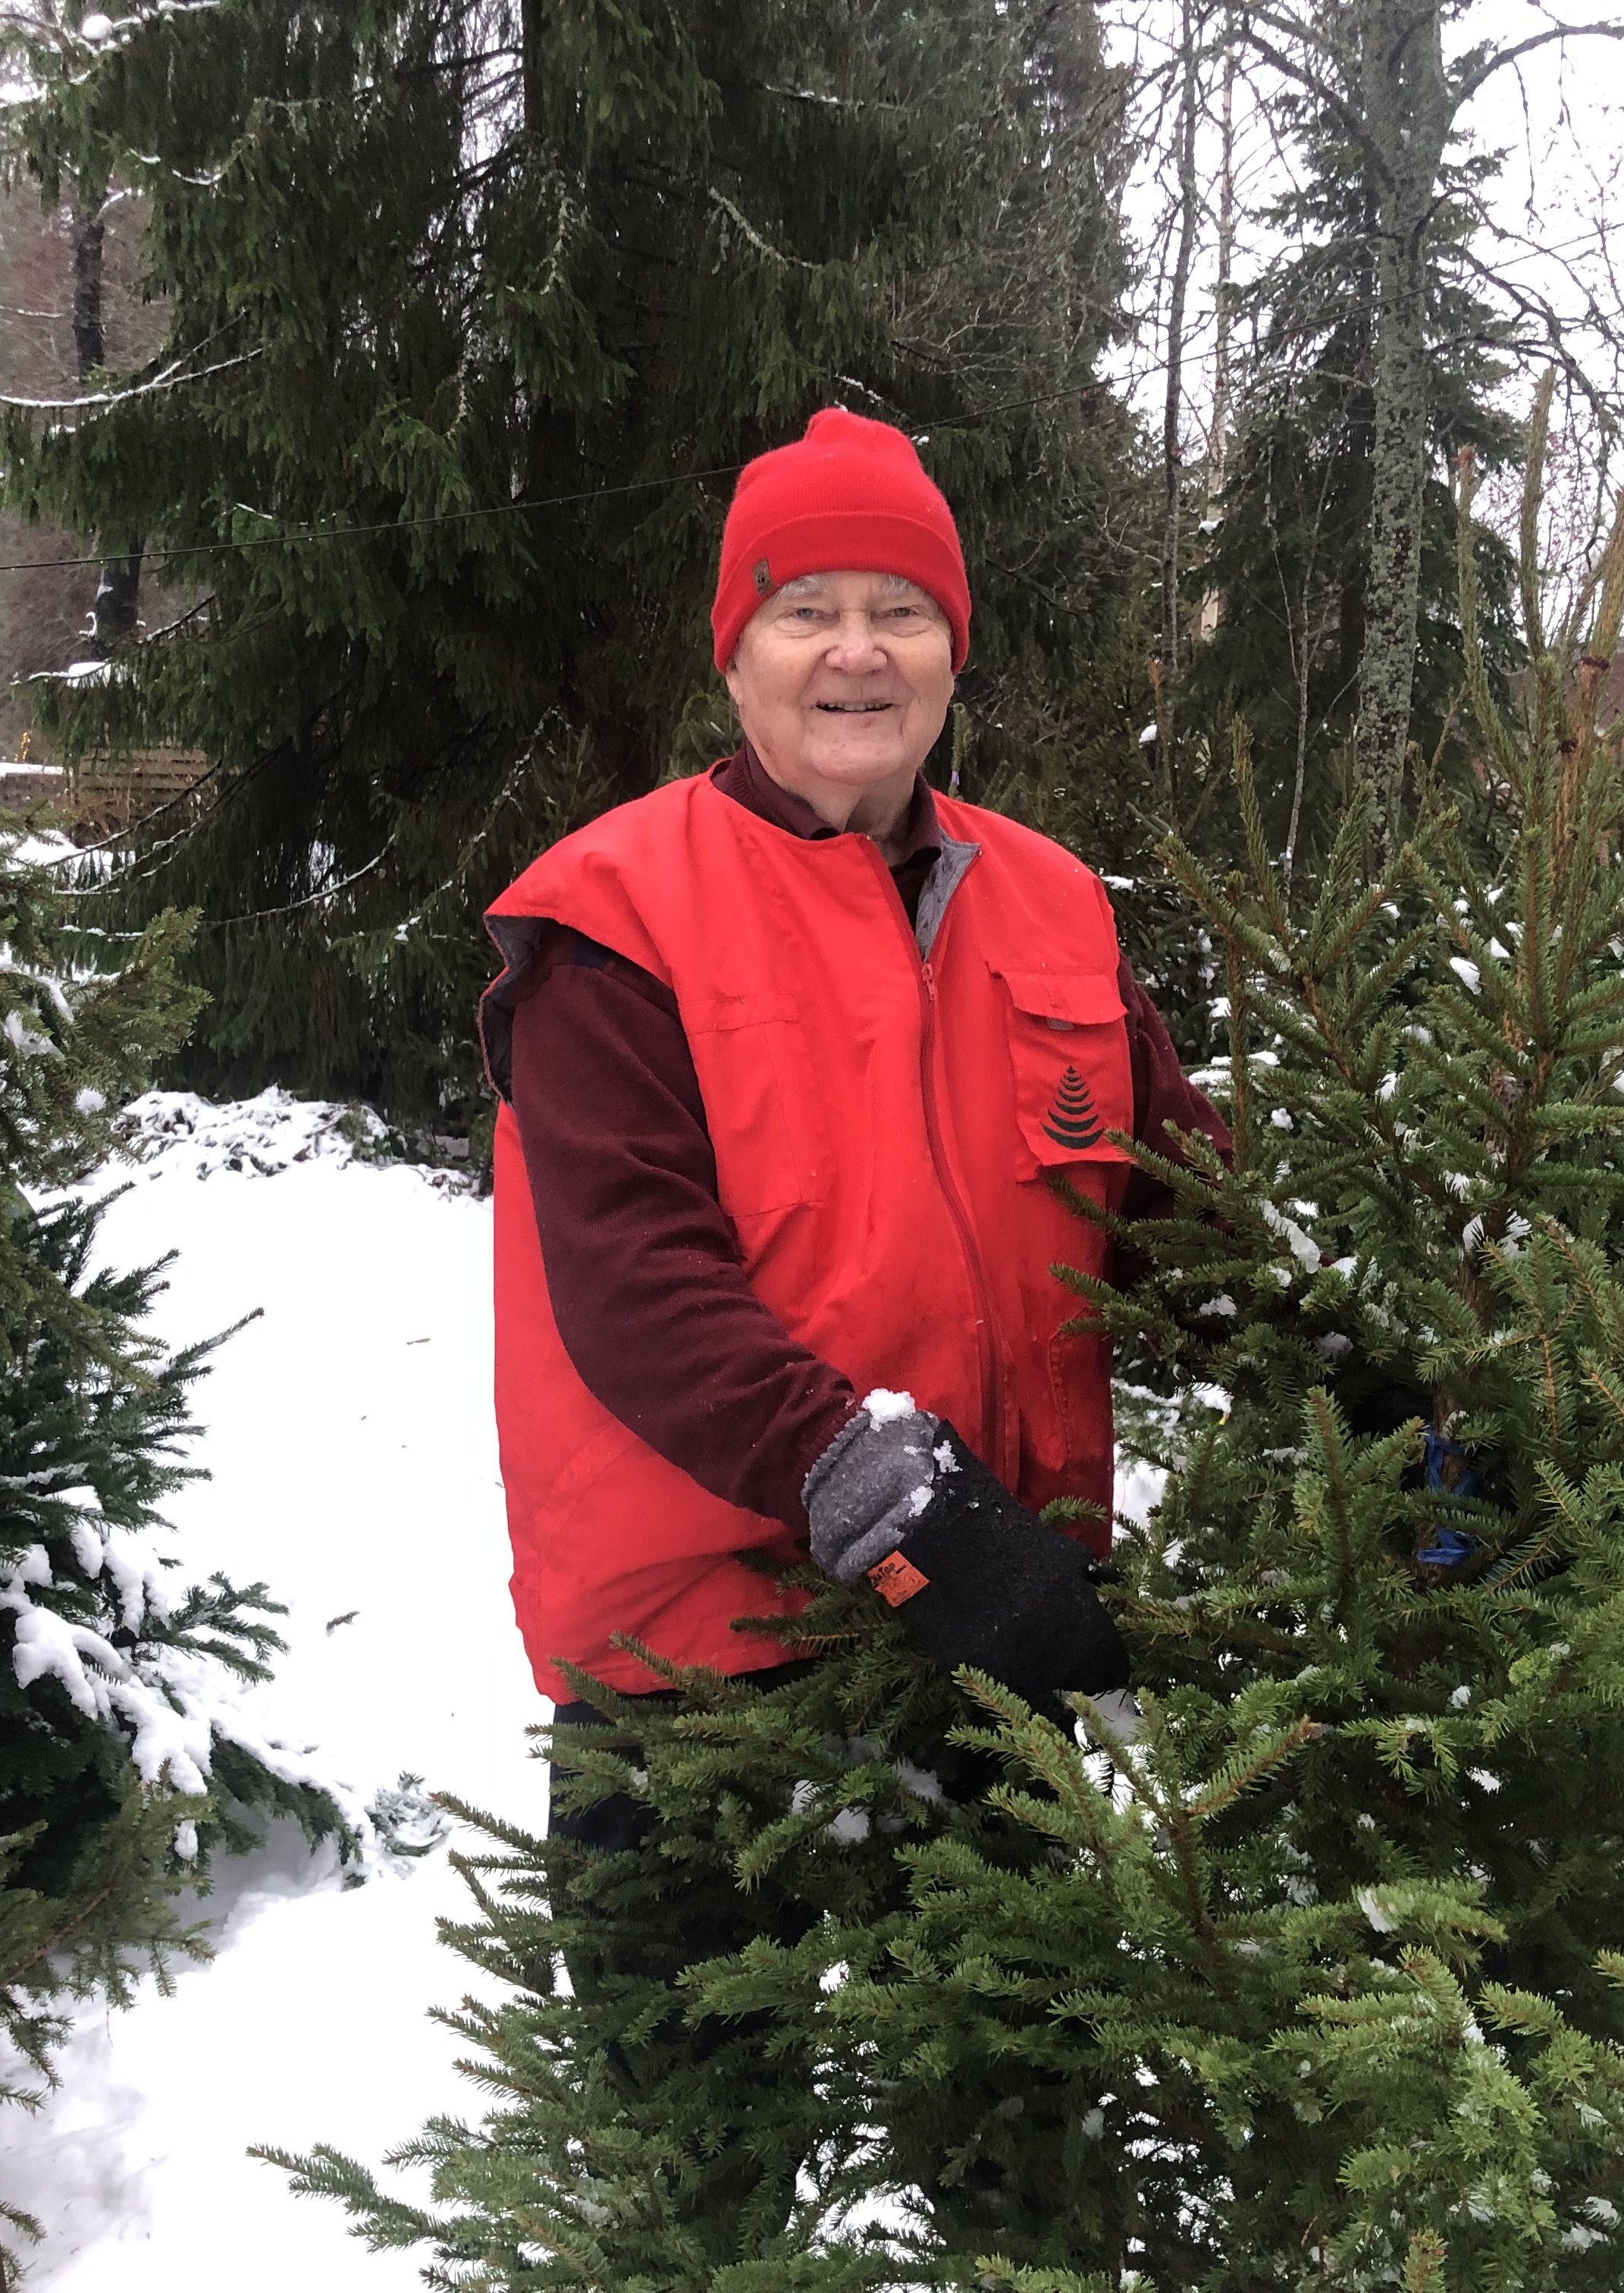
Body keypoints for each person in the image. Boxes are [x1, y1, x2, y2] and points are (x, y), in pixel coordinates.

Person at [480, 407, 1229, 1839]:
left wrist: (1366, 1357)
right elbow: (636, 1283)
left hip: (1004, 1633)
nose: (857, 652)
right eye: (806, 611)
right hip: (697, 1673)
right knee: (701, 2062)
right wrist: (880, 1493)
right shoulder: (615, 912)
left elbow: (1169, 1206)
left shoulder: (1053, 901)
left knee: (1012, 2069)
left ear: (954, 650)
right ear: (737, 654)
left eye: (902, 611)